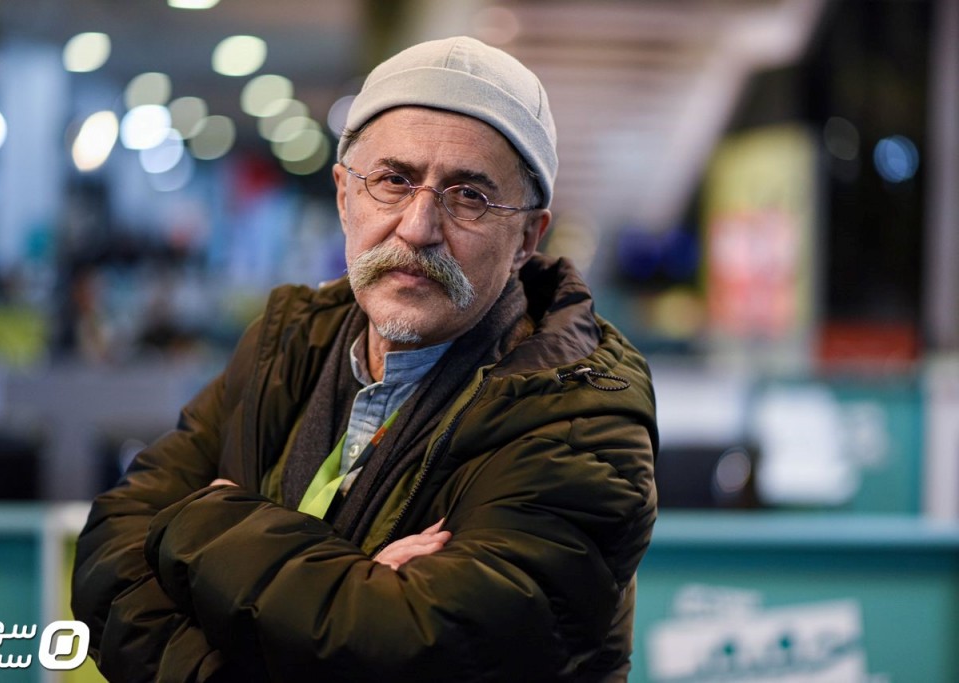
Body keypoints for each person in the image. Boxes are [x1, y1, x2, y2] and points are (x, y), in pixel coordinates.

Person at [72, 35, 658, 683]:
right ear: (344, 196)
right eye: (393, 181)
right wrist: (349, 593)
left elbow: (414, 652)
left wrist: (203, 521)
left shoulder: (579, 421)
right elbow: (108, 556)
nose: (418, 227)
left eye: (469, 195)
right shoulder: (287, 343)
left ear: (526, 238)